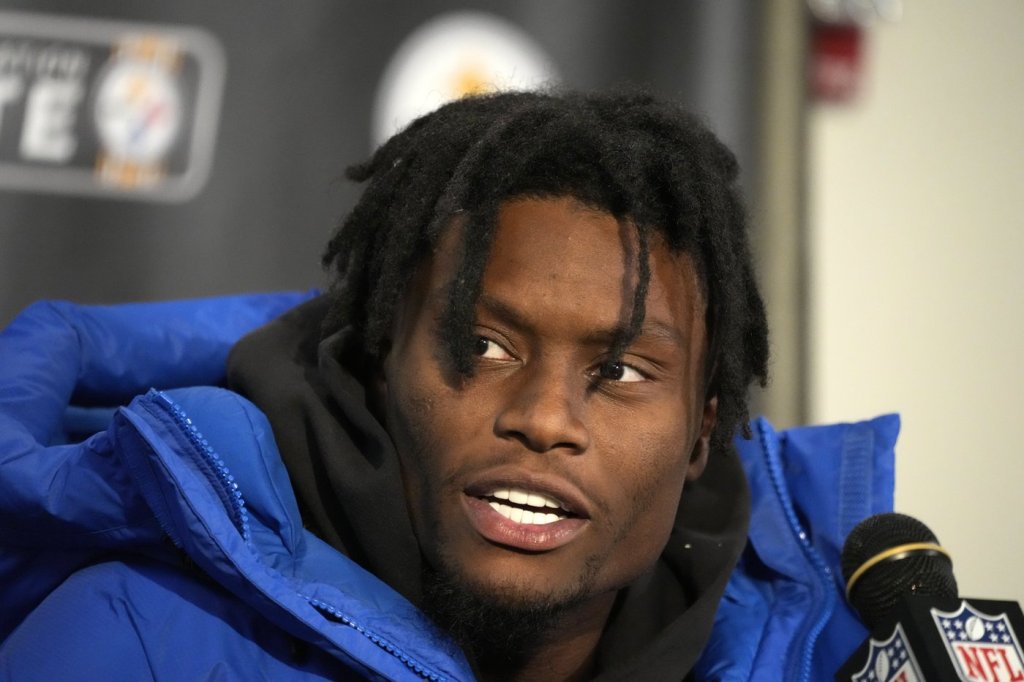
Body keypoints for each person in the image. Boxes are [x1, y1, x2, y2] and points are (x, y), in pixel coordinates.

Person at [0, 91, 897, 680]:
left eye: (620, 370)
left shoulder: (846, 657)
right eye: (484, 346)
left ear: (702, 432)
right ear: (383, 360)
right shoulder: (135, 640)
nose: (544, 419)